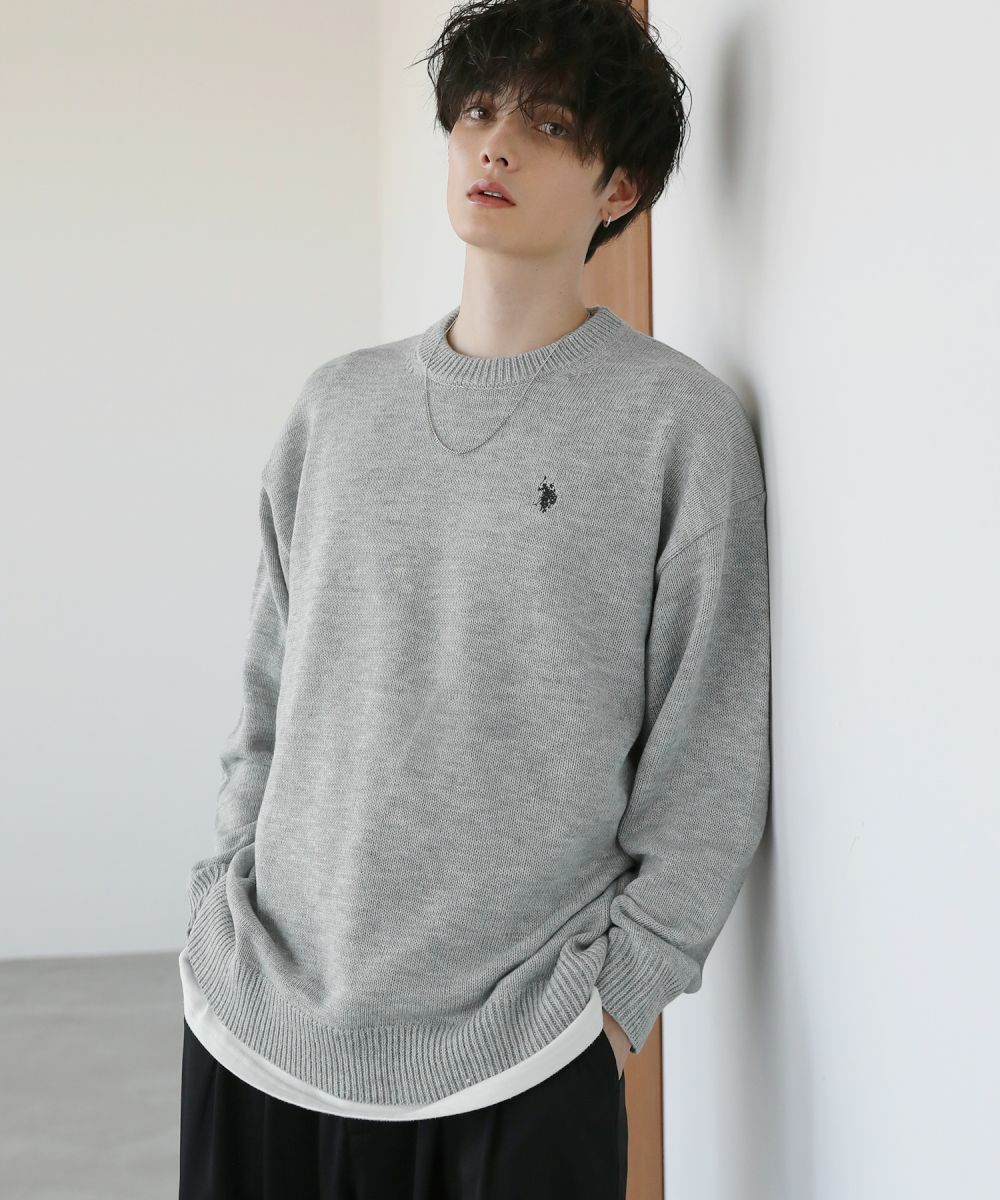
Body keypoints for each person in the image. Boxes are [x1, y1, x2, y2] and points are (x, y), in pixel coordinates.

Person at [177, 1, 771, 1196]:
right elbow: (267, 697)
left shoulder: (676, 426)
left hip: (519, 1055)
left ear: (618, 186)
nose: (494, 143)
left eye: (548, 124)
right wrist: (218, 897)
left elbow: (709, 754)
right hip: (258, 1025)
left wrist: (617, 1003)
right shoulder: (335, 408)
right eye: (479, 111)